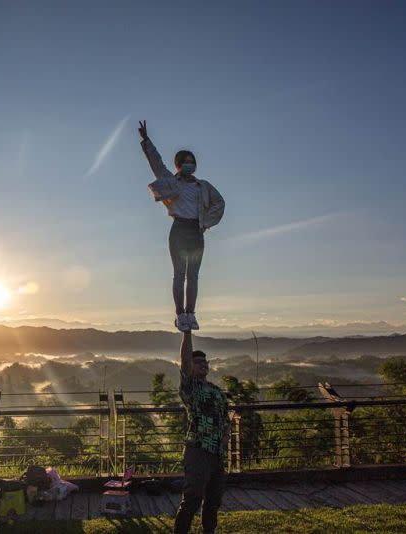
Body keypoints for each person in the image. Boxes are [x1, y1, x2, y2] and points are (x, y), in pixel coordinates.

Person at [139, 120, 225, 332]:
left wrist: (206, 222)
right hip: (178, 230)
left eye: (192, 161)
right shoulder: (171, 181)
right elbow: (156, 163)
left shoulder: (203, 186)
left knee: (193, 275)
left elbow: (219, 203)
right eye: (185, 161)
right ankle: (180, 315)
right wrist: (146, 141)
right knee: (179, 274)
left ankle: (191, 314)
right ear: (178, 165)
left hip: (196, 231)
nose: (189, 164)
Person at [173, 331, 230, 534]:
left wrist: (225, 439)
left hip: (216, 453)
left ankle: (209, 531)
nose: (203, 365)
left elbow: (226, 419)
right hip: (197, 450)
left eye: (205, 362)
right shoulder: (191, 388)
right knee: (193, 498)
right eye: (198, 362)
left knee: (214, 499)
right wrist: (187, 332)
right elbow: (184, 360)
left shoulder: (217, 392)